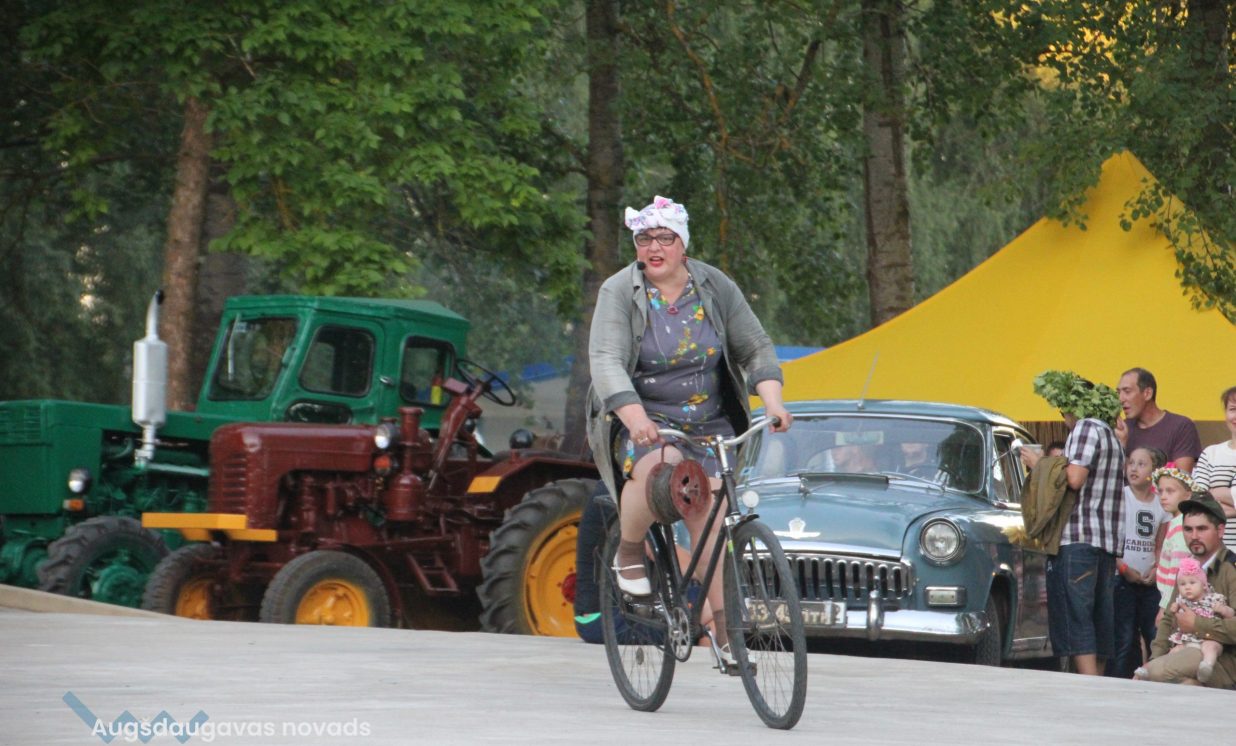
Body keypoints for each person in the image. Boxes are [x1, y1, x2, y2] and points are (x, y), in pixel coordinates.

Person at [586, 195, 791, 659]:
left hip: (710, 421)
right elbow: (606, 360)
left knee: (711, 520)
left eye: (665, 238)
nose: (654, 247)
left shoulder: (715, 286)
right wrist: (635, 418)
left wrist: (773, 401)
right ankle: (629, 551)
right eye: (644, 238)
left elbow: (754, 347)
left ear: (683, 244)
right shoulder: (619, 291)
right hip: (644, 418)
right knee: (660, 471)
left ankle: (727, 633)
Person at [1024, 370, 1125, 676]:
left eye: (1063, 411)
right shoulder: (1112, 436)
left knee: (1077, 617)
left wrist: (1039, 464)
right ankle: (1098, 683)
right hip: (1105, 543)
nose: (1064, 419)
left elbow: (1074, 478)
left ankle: (1088, 686)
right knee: (1099, 619)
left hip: (1079, 538)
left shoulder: (1085, 427)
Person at [1141, 493, 1236, 687]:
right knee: (1185, 685)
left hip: (1223, 661)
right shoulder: (1186, 568)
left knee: (1154, 673)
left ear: (1220, 530)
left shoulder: (1231, 569)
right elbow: (1168, 620)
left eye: (1202, 529)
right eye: (1188, 529)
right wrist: (1155, 658)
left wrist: (1197, 625)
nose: (1194, 536)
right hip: (1187, 655)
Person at [1107, 446, 1170, 679]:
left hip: (1149, 582)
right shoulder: (1120, 497)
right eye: (1131, 462)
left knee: (1153, 634)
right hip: (1122, 579)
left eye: (1141, 464)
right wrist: (1123, 568)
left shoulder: (1161, 504)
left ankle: (1155, 678)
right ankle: (1119, 681)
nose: (1133, 468)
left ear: (1155, 470)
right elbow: (1110, 539)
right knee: (1124, 637)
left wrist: (1157, 569)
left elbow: (1160, 545)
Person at [1135, 556, 1233, 683]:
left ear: (1204, 585)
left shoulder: (1213, 598)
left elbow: (1231, 615)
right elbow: (1167, 621)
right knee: (1174, 652)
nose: (1187, 587)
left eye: (1192, 583)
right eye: (1183, 584)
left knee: (1210, 648)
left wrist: (1223, 610)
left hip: (1208, 639)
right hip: (1186, 640)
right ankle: (1148, 669)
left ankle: (1207, 666)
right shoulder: (1182, 600)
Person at [1115, 367, 1202, 473]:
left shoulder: (1181, 426)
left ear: (1147, 393)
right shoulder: (1123, 429)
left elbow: (1182, 477)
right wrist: (1121, 445)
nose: (1120, 399)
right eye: (1118, 393)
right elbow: (1115, 474)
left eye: (1127, 392)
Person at [1192, 386, 1236, 551]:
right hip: (1216, 553)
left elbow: (1208, 498)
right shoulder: (1211, 453)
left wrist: (1215, 493)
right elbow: (1199, 501)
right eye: (1232, 409)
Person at [1153, 465, 1196, 618]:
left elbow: (1177, 572)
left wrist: (1164, 608)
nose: (1163, 496)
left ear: (1188, 495)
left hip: (1175, 604)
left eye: (1170, 491)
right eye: (1160, 491)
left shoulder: (1181, 527)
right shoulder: (1175, 522)